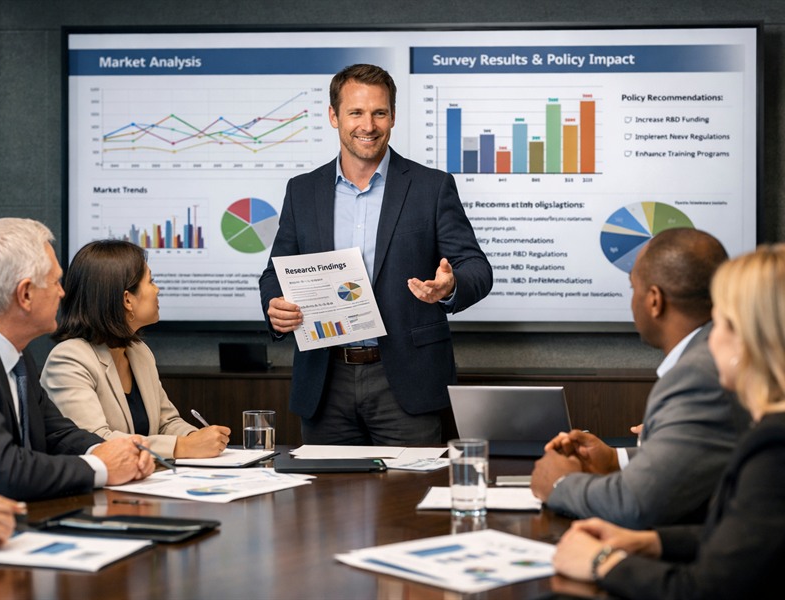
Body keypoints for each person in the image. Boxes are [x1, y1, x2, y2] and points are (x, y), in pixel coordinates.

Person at [258, 64, 492, 445]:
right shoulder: (302, 191)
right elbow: (275, 272)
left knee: (409, 500)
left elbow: (477, 268)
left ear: (393, 116)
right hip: (324, 379)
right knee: (327, 503)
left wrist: (449, 287)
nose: (368, 125)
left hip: (405, 381)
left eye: (379, 112)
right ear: (334, 116)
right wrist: (274, 305)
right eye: (356, 112)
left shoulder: (431, 187)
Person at [553, 244, 785, 599]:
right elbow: (750, 533)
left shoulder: (774, 448)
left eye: (719, 322)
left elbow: (707, 589)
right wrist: (652, 542)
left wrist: (602, 560)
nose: (709, 340)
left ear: (751, 341)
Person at [531, 228, 750, 529]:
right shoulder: (710, 354)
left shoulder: (698, 374)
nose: (631, 300)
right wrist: (614, 460)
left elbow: (636, 503)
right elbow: (698, 459)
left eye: (633, 287)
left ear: (655, 301)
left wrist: (560, 484)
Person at [0, 218, 153, 502]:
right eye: (54, 282)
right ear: (26, 294)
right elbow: (6, 469)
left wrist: (115, 451)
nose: (62, 293)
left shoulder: (19, 356)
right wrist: (100, 467)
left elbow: (58, 435)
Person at [41, 240, 230, 459]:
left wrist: (197, 437)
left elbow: (166, 422)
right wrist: (181, 447)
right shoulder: (68, 359)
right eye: (151, 281)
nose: (157, 289)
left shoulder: (138, 352)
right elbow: (94, 441)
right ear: (127, 299)